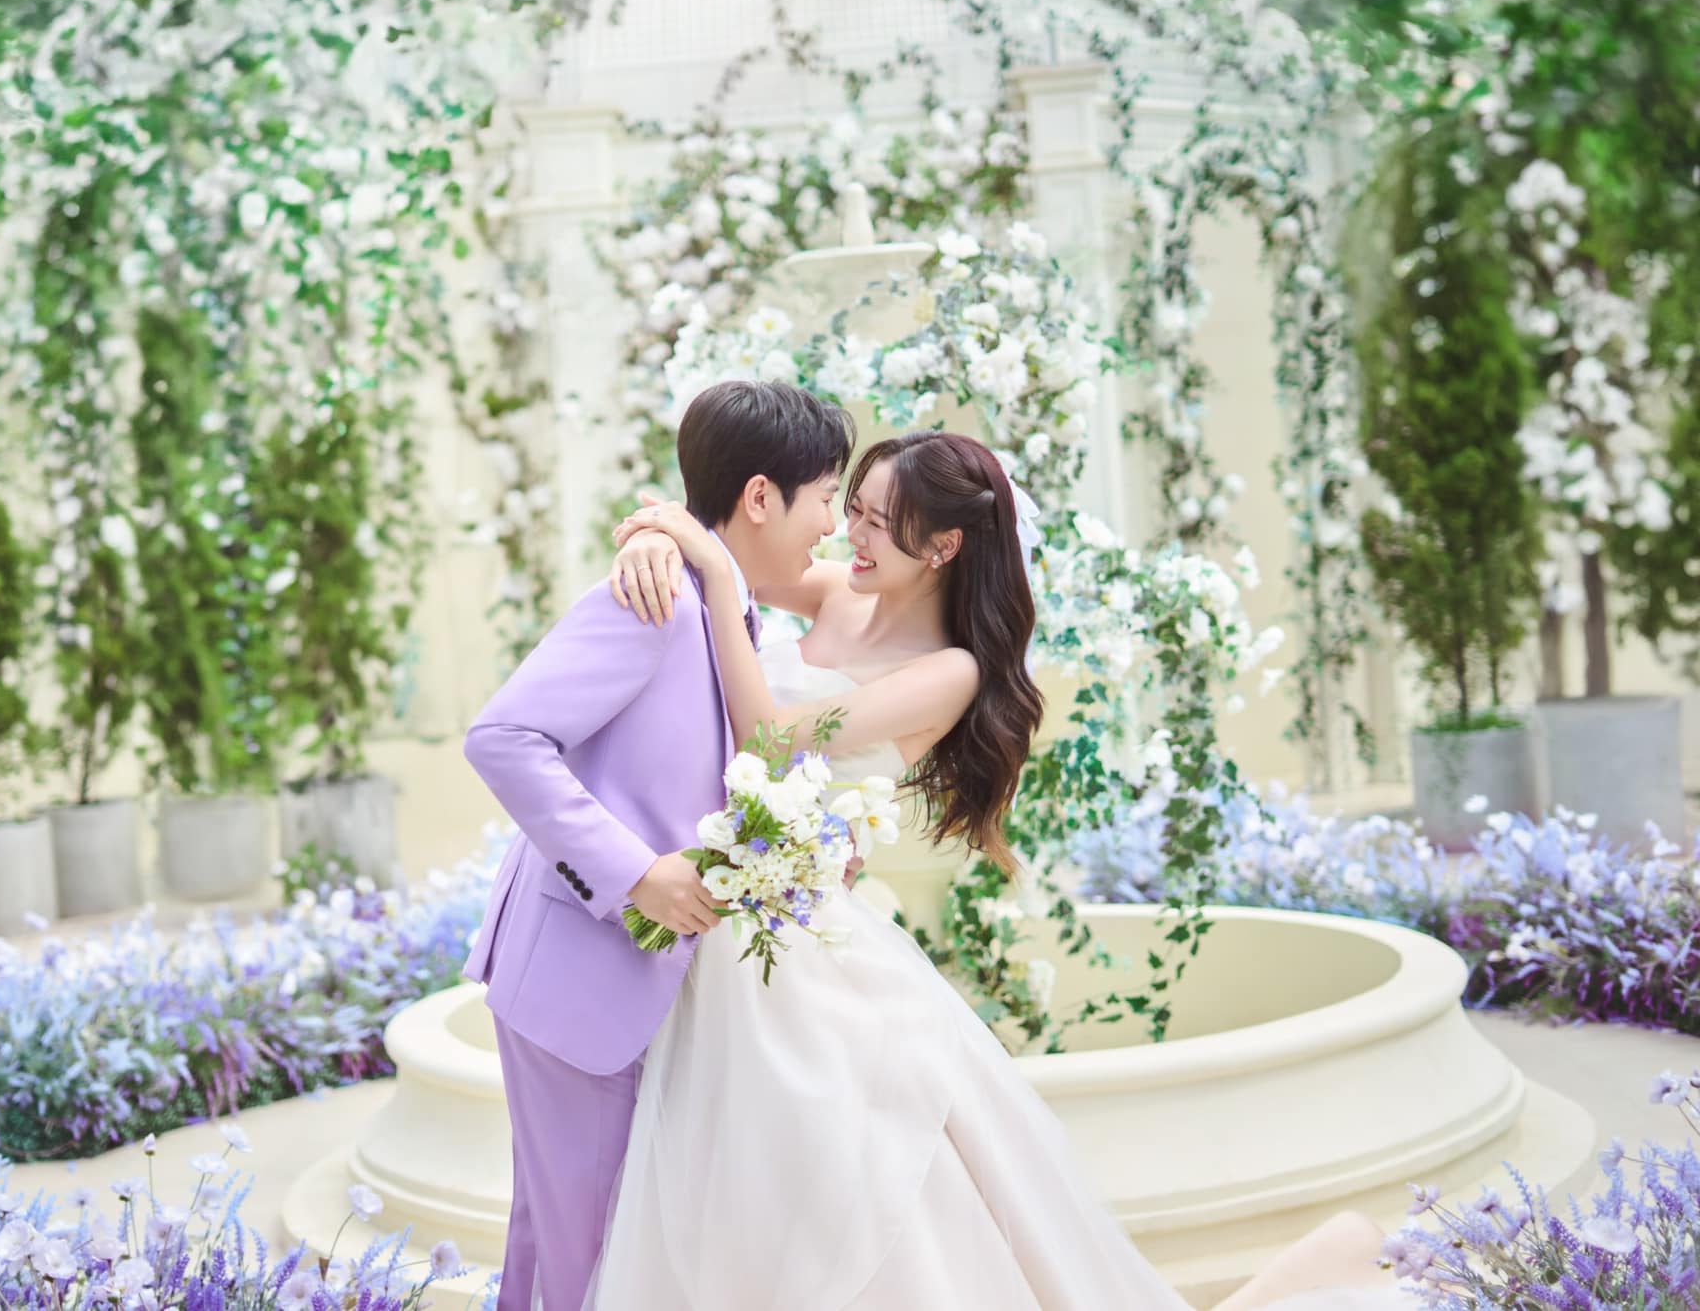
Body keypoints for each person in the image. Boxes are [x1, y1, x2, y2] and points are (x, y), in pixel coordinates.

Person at [585, 426, 1413, 1311]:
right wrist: (653, 538)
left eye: (877, 522)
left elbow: (769, 737)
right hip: (737, 910)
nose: (848, 534)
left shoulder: (948, 672)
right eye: (852, 509)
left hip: (797, 940)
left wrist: (715, 578)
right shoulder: (832, 592)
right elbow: (725, 550)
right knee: (755, 1181)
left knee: (835, 1181)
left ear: (943, 545)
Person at [459, 379, 853, 1311]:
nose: (833, 525)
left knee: (568, 1250)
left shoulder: (725, 607)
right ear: (761, 497)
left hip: (643, 982)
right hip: (583, 979)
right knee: (587, 1255)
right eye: (826, 496)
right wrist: (636, 874)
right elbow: (502, 738)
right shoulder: (660, 602)